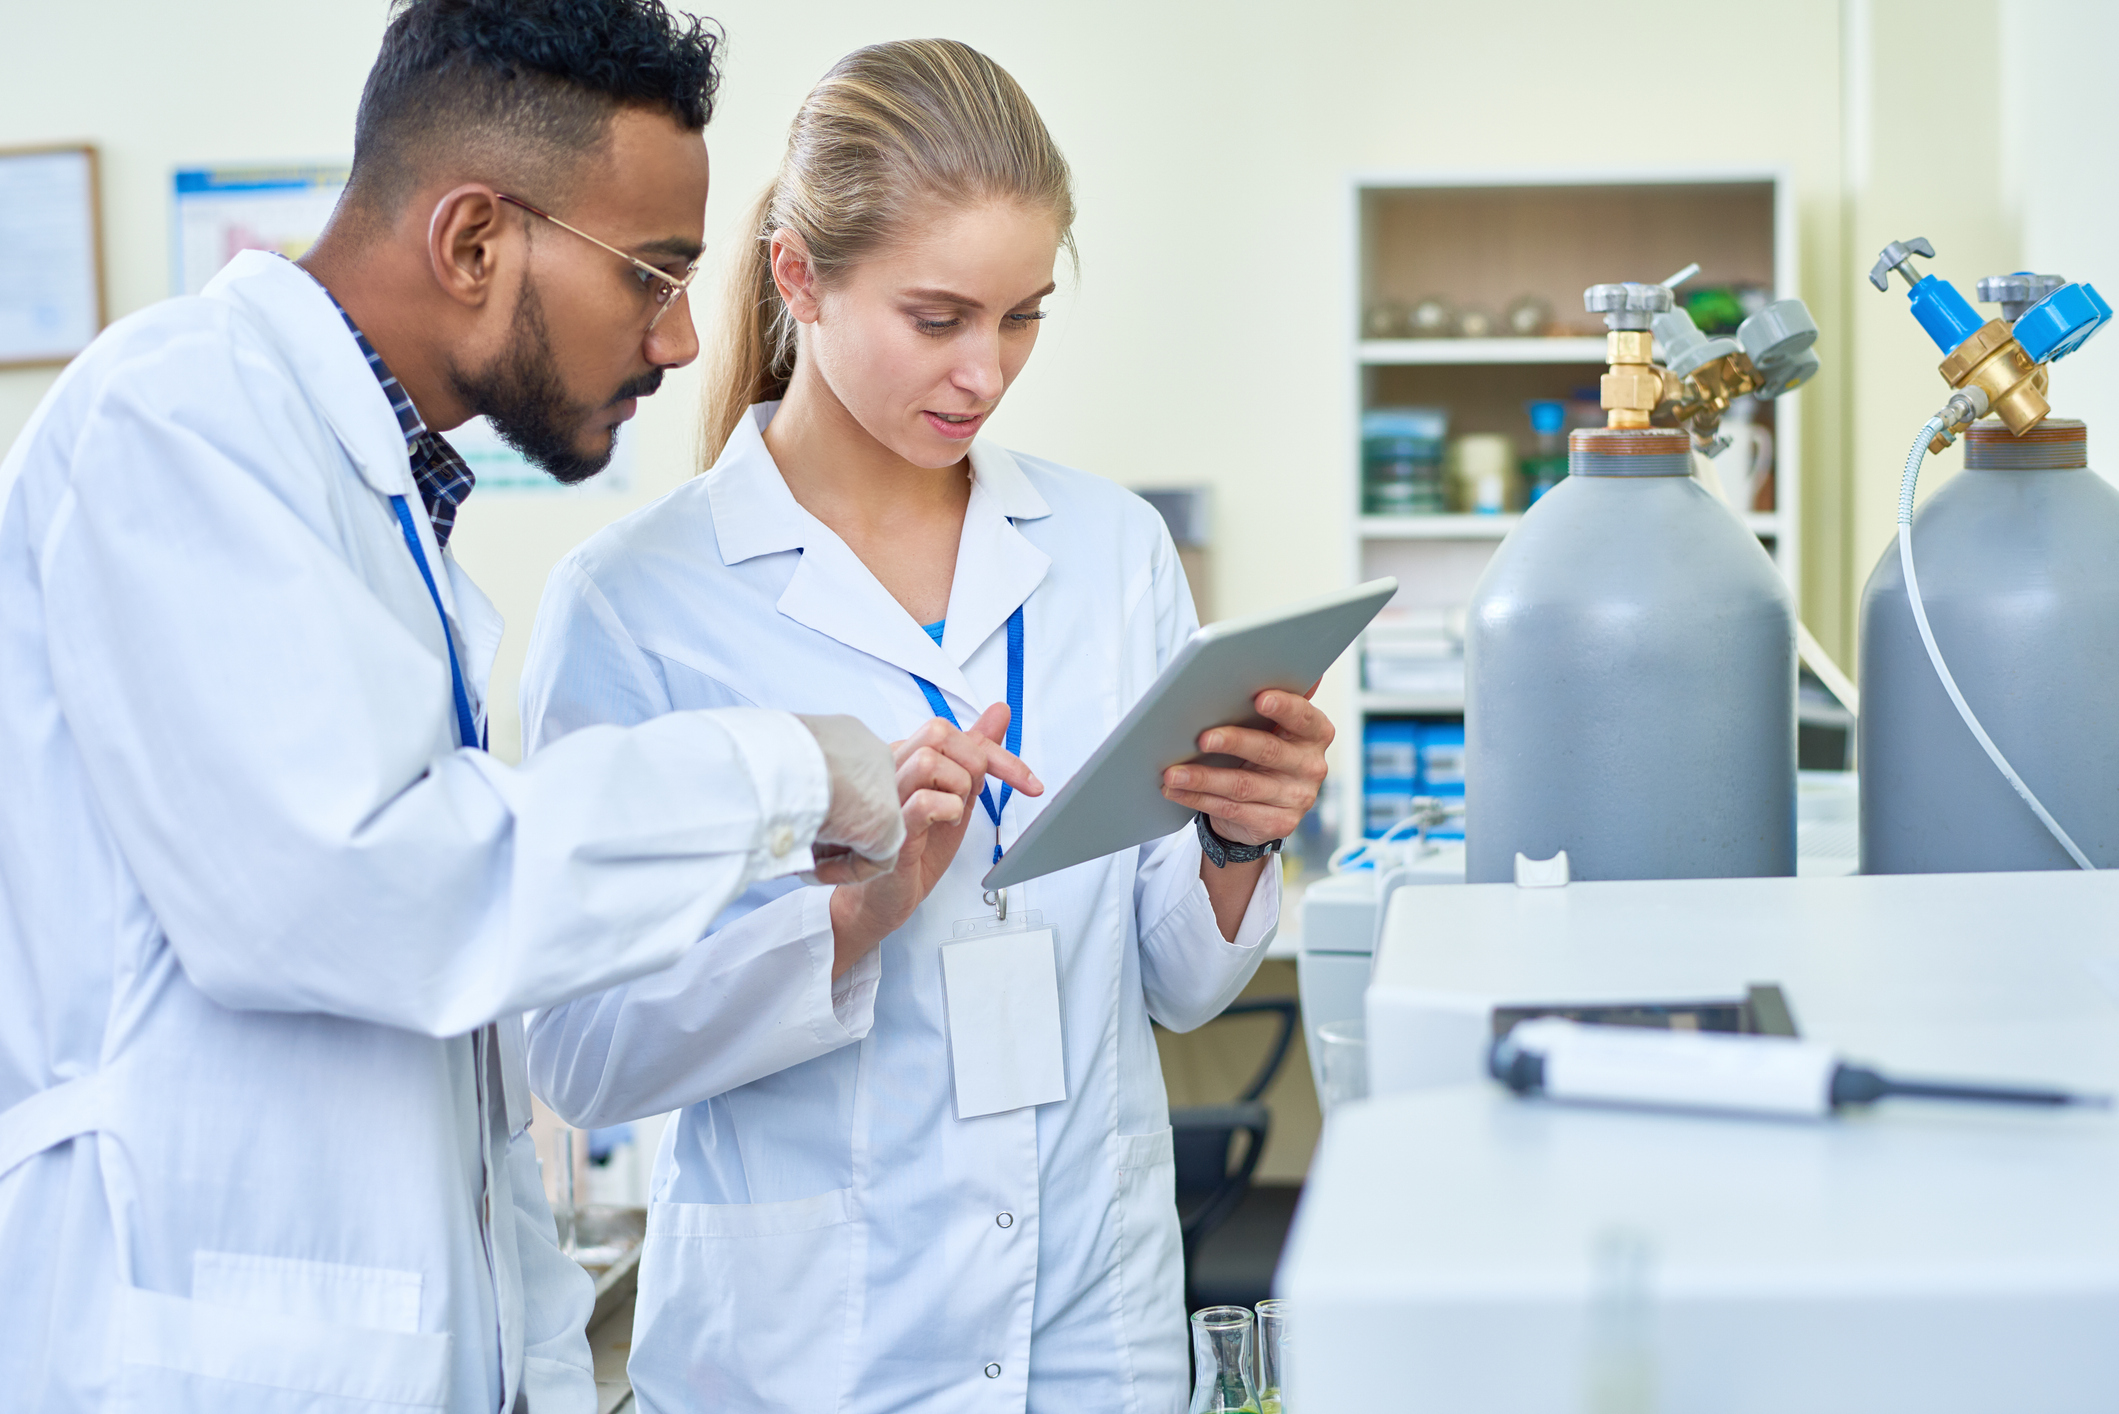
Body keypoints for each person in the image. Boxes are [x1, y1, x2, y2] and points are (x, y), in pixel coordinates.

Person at [0, 2, 961, 1409]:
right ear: (472, 243)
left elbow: (466, 1062)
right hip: (192, 1353)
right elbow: (364, 884)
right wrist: (792, 773)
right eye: (655, 276)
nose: (687, 338)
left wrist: (543, 1367)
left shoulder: (382, 506)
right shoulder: (173, 416)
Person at [521, 38, 1335, 1413]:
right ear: (800, 279)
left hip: (1091, 1330)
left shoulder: (1106, 550)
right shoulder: (638, 603)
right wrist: (850, 919)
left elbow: (1180, 985)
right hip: (803, 1358)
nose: (986, 372)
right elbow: (582, 1058)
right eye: (939, 316)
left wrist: (1239, 838)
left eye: (1022, 317)